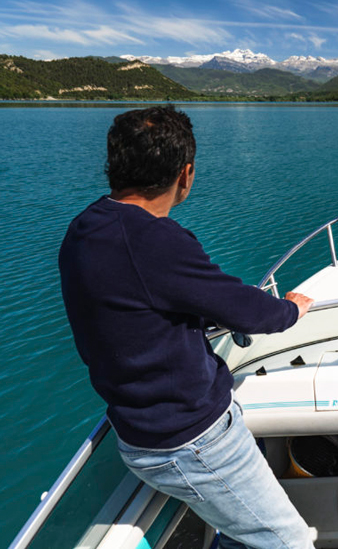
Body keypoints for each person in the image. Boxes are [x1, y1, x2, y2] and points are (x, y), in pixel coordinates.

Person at [58, 106, 316, 549]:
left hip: (139, 430)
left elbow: (139, 304)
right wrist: (290, 309)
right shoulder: (154, 241)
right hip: (191, 441)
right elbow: (248, 310)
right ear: (186, 174)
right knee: (289, 541)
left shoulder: (85, 227)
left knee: (244, 532)